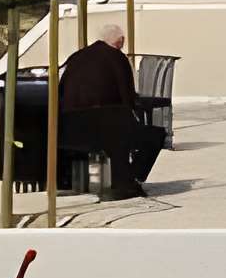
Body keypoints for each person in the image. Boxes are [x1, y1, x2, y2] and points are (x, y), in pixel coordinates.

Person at [55, 20, 160, 200]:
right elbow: (126, 94)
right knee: (153, 136)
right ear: (120, 41)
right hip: (105, 125)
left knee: (111, 135)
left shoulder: (76, 56)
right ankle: (128, 181)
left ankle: (82, 182)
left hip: (68, 126)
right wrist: (135, 113)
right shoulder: (117, 58)